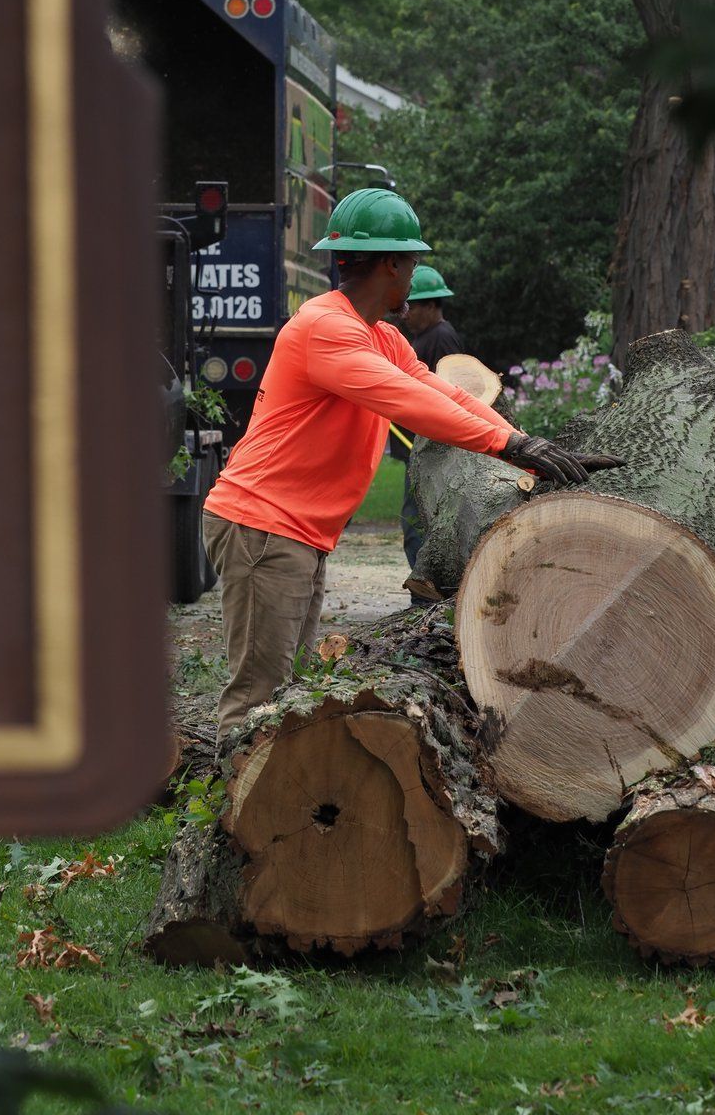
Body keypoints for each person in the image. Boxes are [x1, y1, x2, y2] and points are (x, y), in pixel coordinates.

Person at [201, 187, 618, 741]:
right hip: (263, 526)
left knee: (287, 691)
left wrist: (526, 442)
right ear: (392, 265)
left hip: (292, 530)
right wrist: (510, 449)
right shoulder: (325, 328)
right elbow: (412, 404)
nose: (417, 272)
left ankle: (255, 808)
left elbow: (442, 393)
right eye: (414, 261)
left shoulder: (382, 337)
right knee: (259, 695)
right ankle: (218, 816)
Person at [392, 264, 462, 567]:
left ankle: (424, 598)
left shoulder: (441, 338)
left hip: (428, 449)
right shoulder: (427, 337)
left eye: (413, 306)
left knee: (416, 524)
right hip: (418, 448)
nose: (405, 313)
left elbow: (446, 392)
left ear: (432, 305)